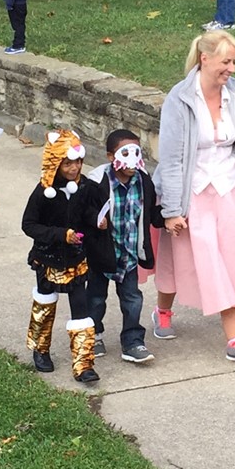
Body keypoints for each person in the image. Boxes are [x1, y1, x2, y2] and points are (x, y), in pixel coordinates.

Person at [152, 29, 235, 366]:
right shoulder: (178, 100)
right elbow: (172, 160)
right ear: (204, 59)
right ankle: (163, 309)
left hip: (229, 189)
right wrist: (171, 210)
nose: (232, 69)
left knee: (233, 261)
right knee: (180, 261)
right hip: (192, 191)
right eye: (226, 61)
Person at [22, 131, 100, 383]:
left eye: (77, 162)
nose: (74, 167)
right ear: (55, 163)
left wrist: (96, 220)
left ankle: (83, 364)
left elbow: (89, 211)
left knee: (81, 308)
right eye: (67, 163)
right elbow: (29, 225)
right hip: (47, 259)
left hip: (76, 260)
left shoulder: (85, 186)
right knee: (45, 303)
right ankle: (40, 348)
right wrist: (59, 235)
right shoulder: (43, 192)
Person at [80, 129, 159, 366]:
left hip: (130, 254)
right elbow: (84, 211)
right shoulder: (96, 183)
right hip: (102, 254)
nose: (133, 160)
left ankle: (133, 341)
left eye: (137, 152)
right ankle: (93, 335)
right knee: (95, 298)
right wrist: (95, 220)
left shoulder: (144, 181)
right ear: (110, 156)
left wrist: (169, 220)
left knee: (132, 298)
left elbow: (152, 214)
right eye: (126, 153)